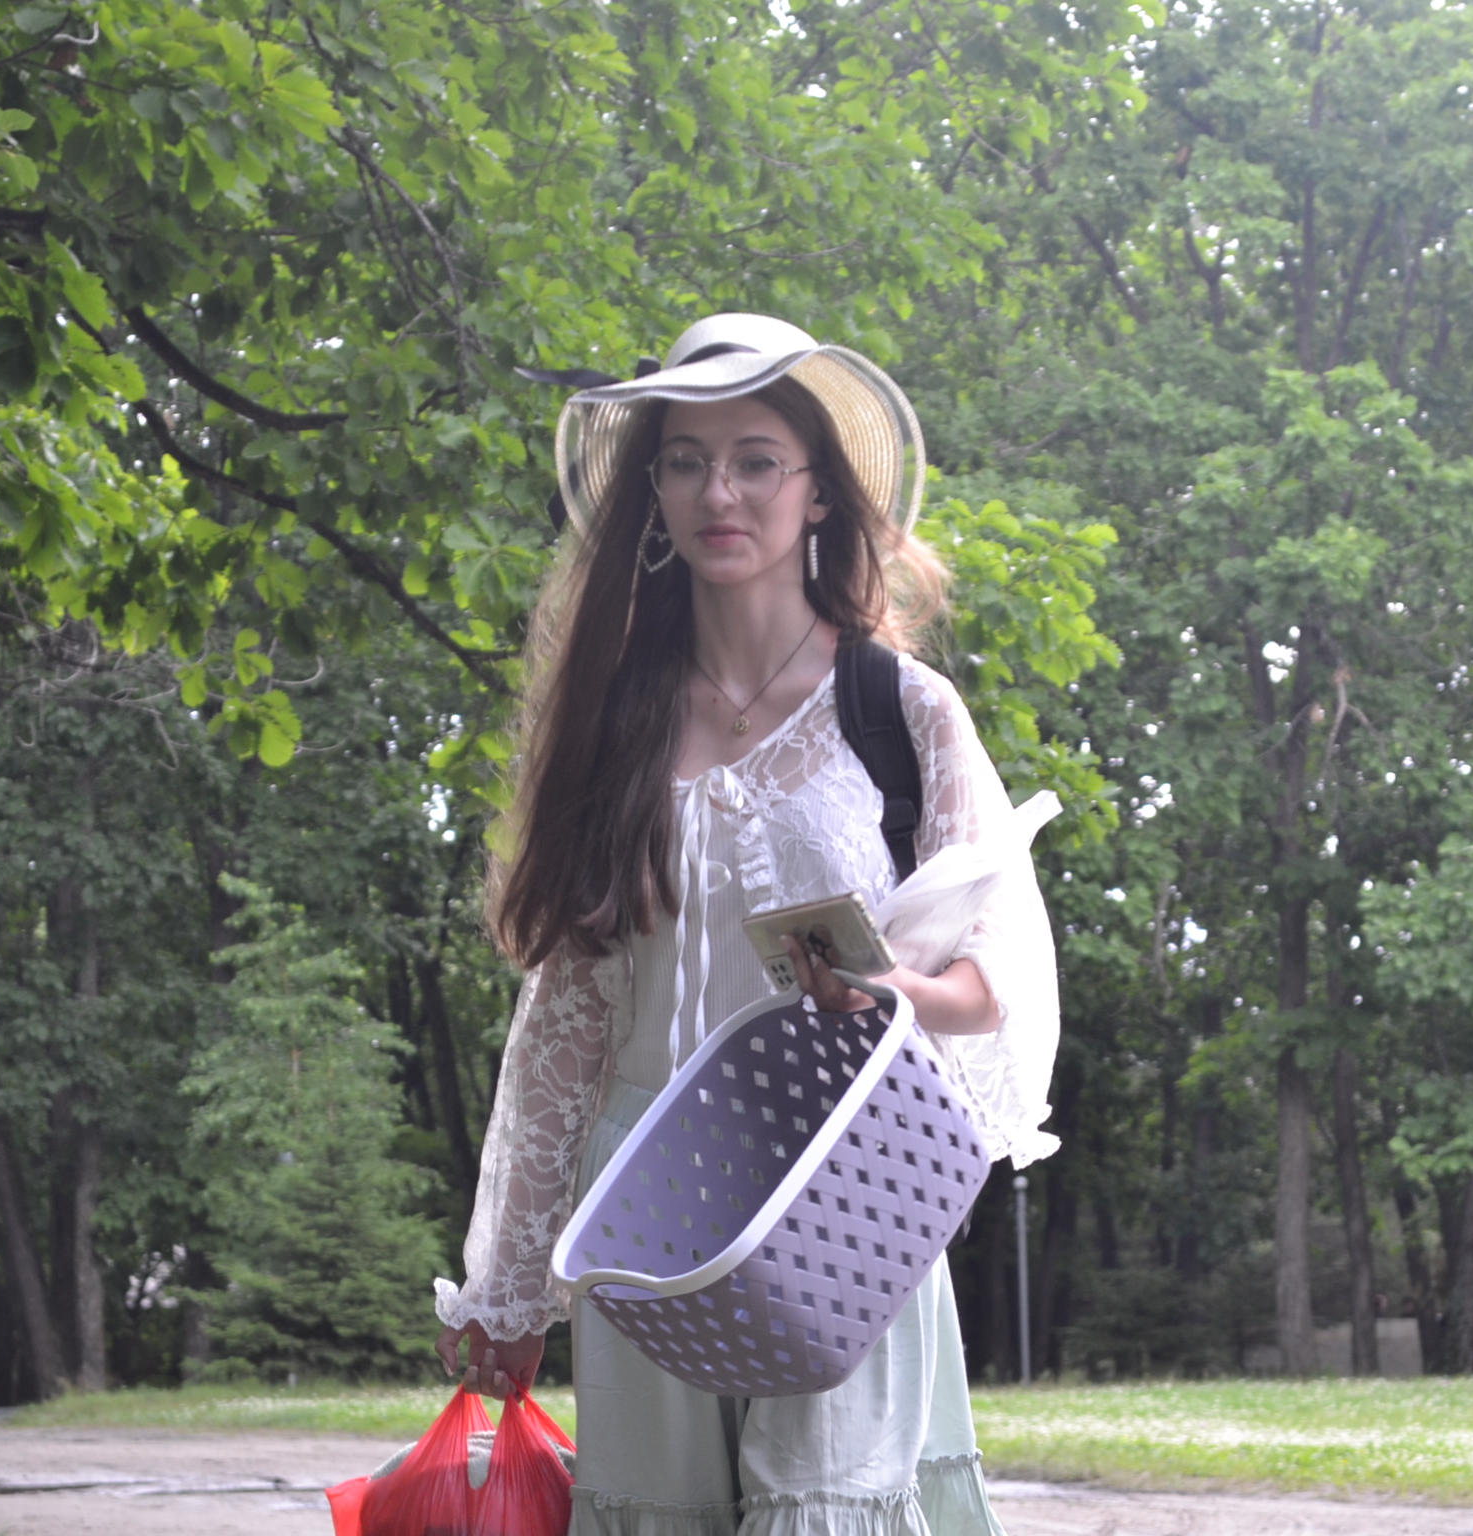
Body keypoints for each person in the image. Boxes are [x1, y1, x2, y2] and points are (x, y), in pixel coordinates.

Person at [430, 314, 1062, 1536]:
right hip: (643, 1200)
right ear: (654, 493)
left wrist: (895, 995)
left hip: (845, 1182)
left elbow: (998, 980)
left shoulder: (903, 709)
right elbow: (568, 1014)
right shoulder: (612, 719)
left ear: (819, 489)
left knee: (827, 1513)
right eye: (687, 462)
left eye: (757, 460)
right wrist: (508, 1286)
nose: (720, 492)